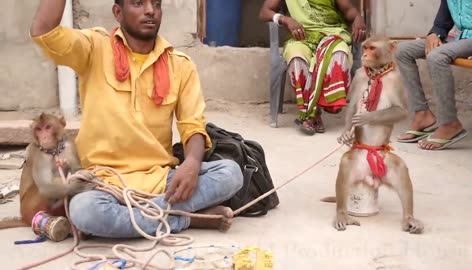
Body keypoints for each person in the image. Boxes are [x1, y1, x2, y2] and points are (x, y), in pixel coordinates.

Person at [29, 0, 243, 238]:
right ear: (118, 12)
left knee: (231, 173)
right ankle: (187, 218)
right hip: (105, 182)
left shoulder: (180, 64)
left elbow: (192, 126)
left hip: (162, 179)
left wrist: (191, 165)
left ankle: (147, 217)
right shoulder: (94, 47)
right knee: (85, 211)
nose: (150, 10)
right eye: (138, 3)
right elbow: (44, 31)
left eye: (156, 4)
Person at [259, 0, 366, 135]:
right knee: (296, 58)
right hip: (301, 37)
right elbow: (264, 12)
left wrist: (358, 18)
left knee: (339, 54)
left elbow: (349, 10)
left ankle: (330, 103)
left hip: (331, 34)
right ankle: (311, 113)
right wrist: (285, 19)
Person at [395, 0, 472, 150]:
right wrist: (434, 34)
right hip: (458, 38)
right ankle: (422, 115)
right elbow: (442, 22)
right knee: (403, 51)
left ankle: (449, 123)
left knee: (436, 56)